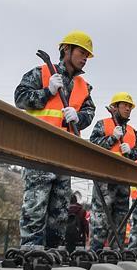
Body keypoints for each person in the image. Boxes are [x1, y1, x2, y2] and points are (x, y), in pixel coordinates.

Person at [15, 31, 95, 248]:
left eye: (87, 54)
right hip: (39, 151)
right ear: (66, 50)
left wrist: (79, 117)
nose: (85, 57)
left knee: (59, 211)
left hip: (64, 155)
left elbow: (89, 112)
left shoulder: (83, 86)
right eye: (81, 52)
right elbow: (20, 99)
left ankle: (52, 253)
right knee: (36, 205)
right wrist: (47, 91)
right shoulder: (40, 74)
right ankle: (30, 252)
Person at [88, 92, 137, 251]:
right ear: (115, 107)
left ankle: (116, 252)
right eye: (124, 105)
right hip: (104, 179)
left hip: (123, 181)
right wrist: (112, 138)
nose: (128, 108)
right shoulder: (102, 124)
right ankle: (95, 251)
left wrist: (130, 152)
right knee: (101, 218)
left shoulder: (132, 132)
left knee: (121, 218)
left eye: (130, 106)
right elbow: (93, 146)